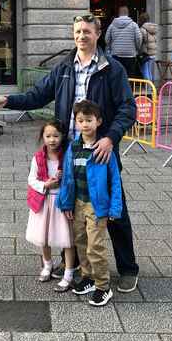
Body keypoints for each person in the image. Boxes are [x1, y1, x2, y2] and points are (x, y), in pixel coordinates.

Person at [0, 14, 140, 294]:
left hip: (100, 152)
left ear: (98, 34)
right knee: (71, 211)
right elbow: (37, 95)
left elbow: (127, 109)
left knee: (113, 210)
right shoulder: (64, 67)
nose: (81, 36)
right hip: (69, 154)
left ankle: (127, 268)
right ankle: (78, 266)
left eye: (87, 31)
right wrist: (7, 99)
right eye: (77, 31)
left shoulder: (113, 69)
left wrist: (110, 138)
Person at [57, 100, 123, 307]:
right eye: (80, 121)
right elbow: (68, 176)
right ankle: (88, 277)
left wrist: (114, 208)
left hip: (97, 206)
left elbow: (115, 180)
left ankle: (103, 286)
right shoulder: (73, 147)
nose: (85, 124)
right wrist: (66, 203)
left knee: (96, 246)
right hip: (78, 203)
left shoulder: (104, 148)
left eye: (89, 120)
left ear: (98, 121)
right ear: (75, 123)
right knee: (81, 242)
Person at [25, 119, 77, 292]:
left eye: (56, 135)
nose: (52, 139)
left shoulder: (68, 156)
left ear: (62, 137)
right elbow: (32, 179)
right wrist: (45, 185)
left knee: (67, 240)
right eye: (48, 136)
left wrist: (63, 179)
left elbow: (73, 180)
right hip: (44, 200)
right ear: (43, 137)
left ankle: (68, 273)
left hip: (62, 202)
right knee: (44, 237)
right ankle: (47, 265)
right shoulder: (38, 157)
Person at [105, 6, 142, 79]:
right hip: (130, 55)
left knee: (116, 75)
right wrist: (137, 49)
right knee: (130, 76)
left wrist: (110, 47)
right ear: (128, 14)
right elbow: (139, 38)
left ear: (119, 14)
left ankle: (117, 90)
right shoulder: (134, 25)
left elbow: (107, 39)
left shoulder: (112, 25)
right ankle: (129, 90)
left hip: (116, 54)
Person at [137, 12, 158, 82]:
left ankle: (149, 89)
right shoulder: (153, 28)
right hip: (153, 54)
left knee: (145, 71)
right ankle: (151, 89)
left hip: (145, 54)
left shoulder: (142, 29)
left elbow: (139, 42)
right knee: (149, 71)